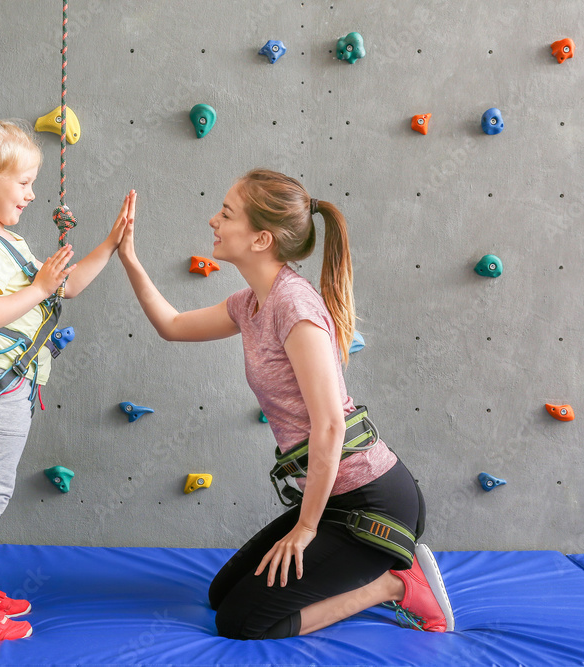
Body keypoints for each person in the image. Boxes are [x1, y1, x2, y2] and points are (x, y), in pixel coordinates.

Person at [116, 170, 454, 639]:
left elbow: (331, 426)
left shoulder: (295, 307)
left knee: (242, 621)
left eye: (226, 213)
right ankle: (367, 568)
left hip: (372, 507)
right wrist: (129, 258)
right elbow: (172, 324)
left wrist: (306, 528)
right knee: (221, 596)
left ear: (261, 239)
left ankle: (393, 584)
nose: (213, 219)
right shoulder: (250, 303)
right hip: (334, 499)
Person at [0, 109, 131, 640]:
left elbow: (66, 287)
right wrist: (40, 288)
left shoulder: (8, 242)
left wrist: (109, 245)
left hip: (11, 381)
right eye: (23, 183)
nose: (31, 194)